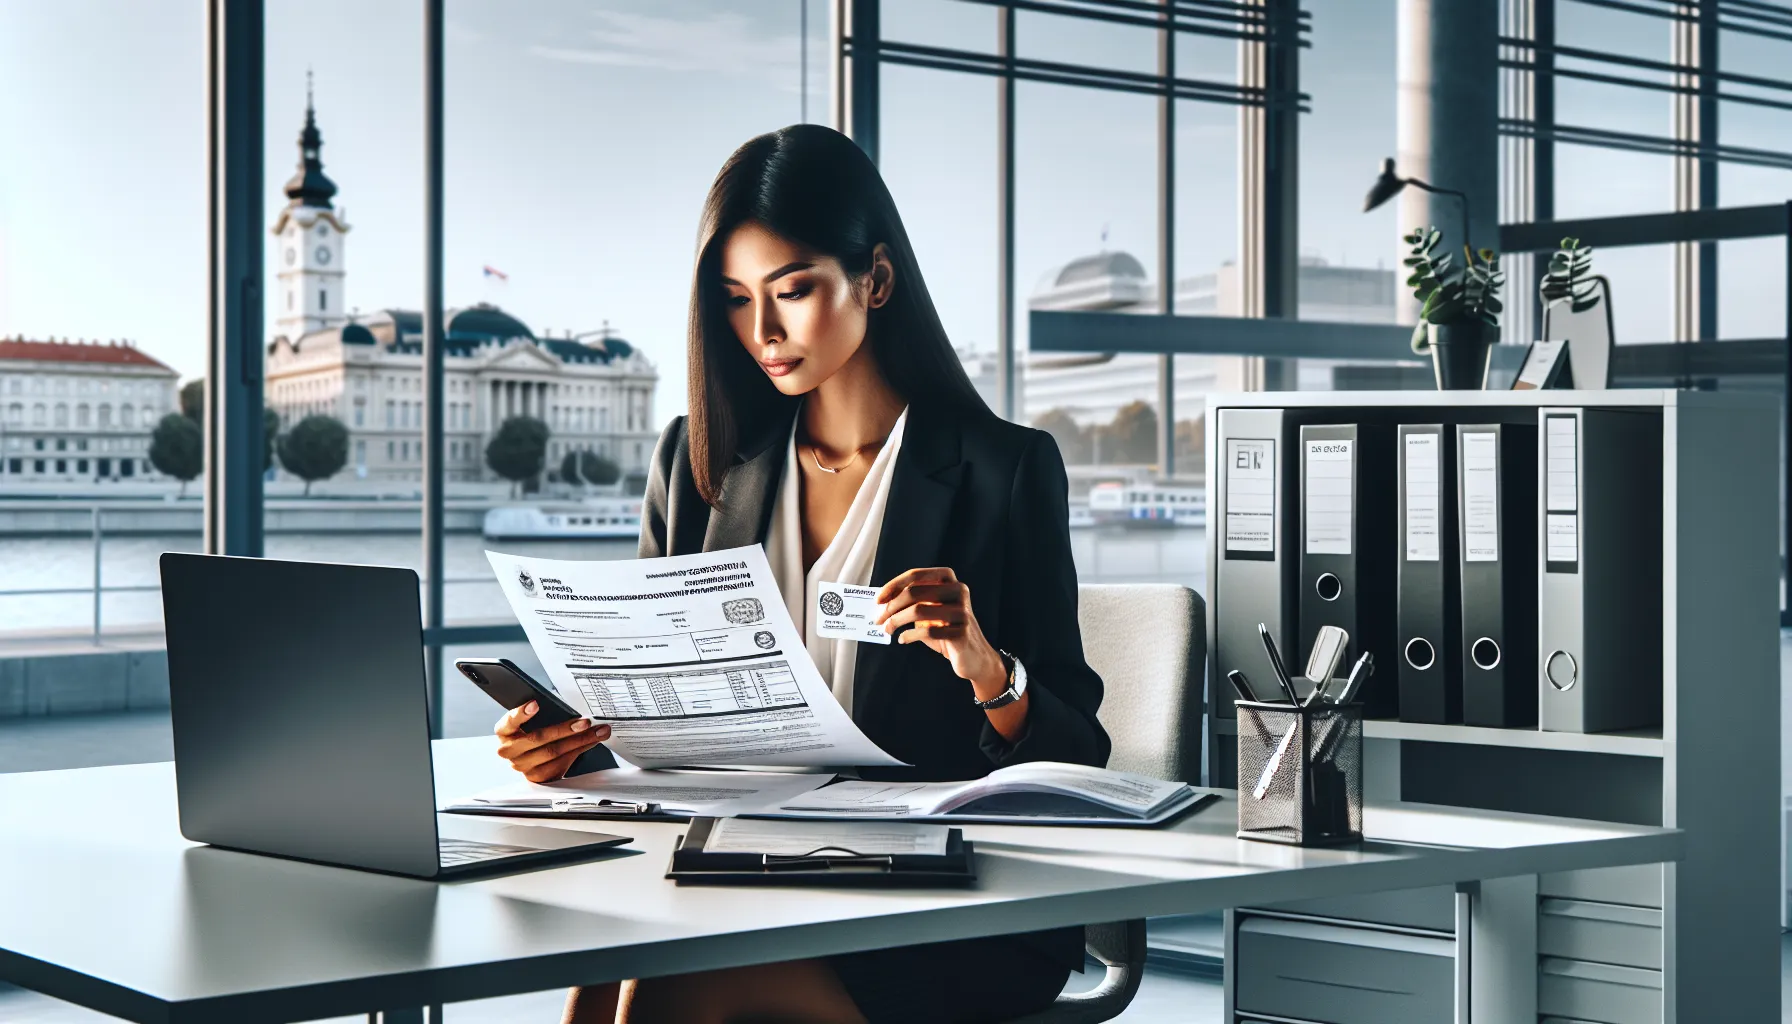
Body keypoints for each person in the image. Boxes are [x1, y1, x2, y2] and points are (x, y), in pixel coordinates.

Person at [492, 123, 1110, 1024]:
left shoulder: (1002, 469)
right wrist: (574, 752)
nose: (763, 332)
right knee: (606, 969)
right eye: (737, 300)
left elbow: (1079, 755)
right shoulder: (698, 462)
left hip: (943, 897)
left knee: (662, 981)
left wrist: (988, 668)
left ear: (877, 279)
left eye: (793, 291)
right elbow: (656, 718)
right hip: (733, 862)